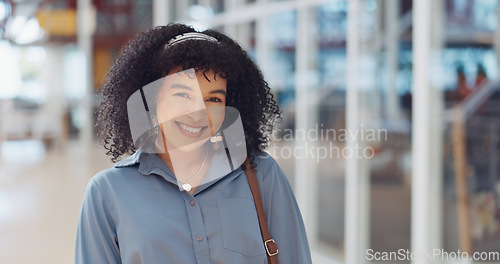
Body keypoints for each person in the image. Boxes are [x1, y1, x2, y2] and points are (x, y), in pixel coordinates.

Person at [75, 23, 312, 264]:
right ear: (153, 98)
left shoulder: (261, 174)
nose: (198, 112)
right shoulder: (107, 192)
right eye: (183, 94)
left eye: (213, 98)